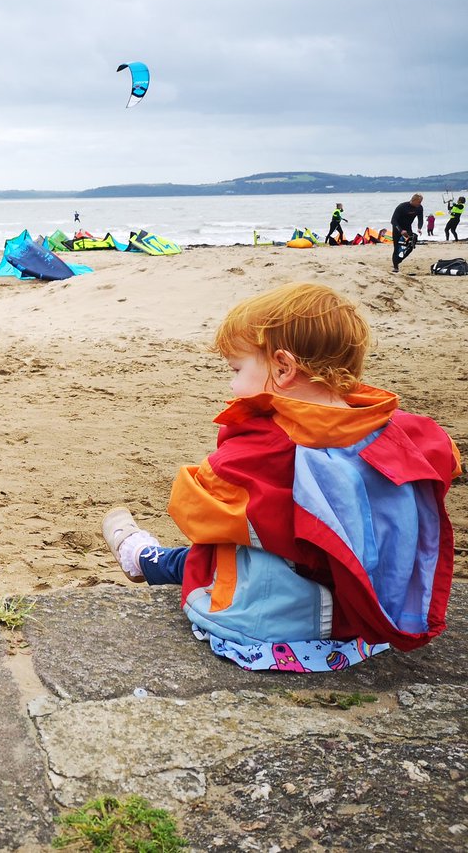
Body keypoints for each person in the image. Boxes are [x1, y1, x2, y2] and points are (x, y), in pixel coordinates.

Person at [102, 283, 460, 672]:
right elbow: (446, 458)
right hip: (362, 621)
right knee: (267, 538)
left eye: (237, 370)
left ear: (283, 368)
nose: (232, 385)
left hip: (283, 627)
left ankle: (141, 556)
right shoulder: (400, 433)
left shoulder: (268, 449)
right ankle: (145, 557)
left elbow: (197, 510)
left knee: (215, 552)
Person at [389, 193, 424, 271]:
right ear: (414, 200)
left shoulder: (419, 208)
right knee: (397, 248)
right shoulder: (402, 207)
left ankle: (398, 260)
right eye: (419, 202)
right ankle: (395, 267)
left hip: (408, 229)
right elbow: (393, 220)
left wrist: (419, 228)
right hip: (397, 228)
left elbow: (420, 219)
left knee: (410, 246)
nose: (420, 204)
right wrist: (401, 231)